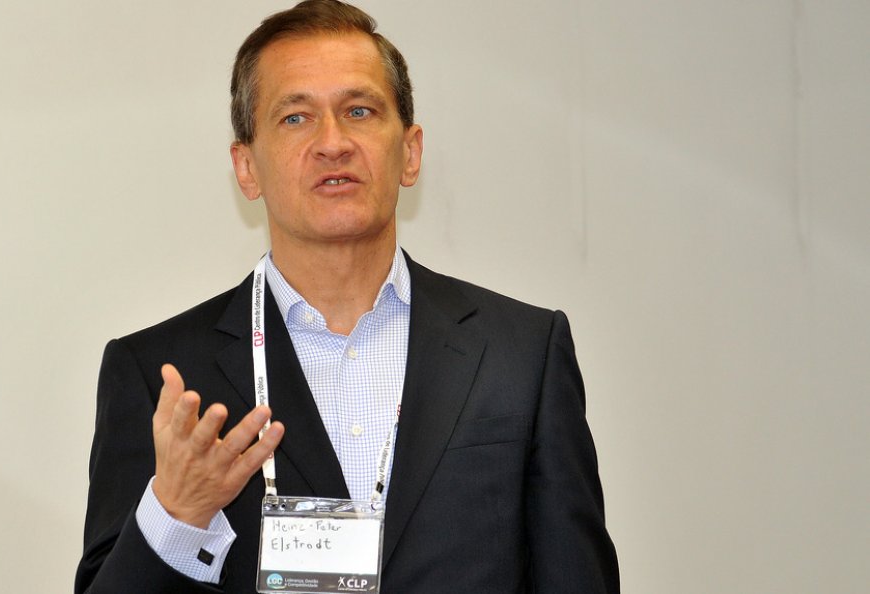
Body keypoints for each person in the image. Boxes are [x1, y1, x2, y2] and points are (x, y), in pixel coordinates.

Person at [75, 1, 619, 592]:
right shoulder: (163, 379)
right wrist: (176, 514)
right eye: (295, 118)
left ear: (410, 151)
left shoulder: (521, 353)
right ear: (246, 167)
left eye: (359, 111)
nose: (332, 143)